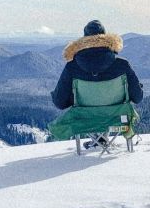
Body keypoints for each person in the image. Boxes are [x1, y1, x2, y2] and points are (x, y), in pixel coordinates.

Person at [51, 20, 143, 148]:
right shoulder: (122, 65)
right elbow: (138, 98)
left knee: (92, 110)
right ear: (106, 38)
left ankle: (98, 140)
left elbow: (59, 103)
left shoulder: (72, 67)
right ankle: (101, 139)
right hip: (117, 116)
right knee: (107, 108)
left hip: (85, 117)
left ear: (83, 41)